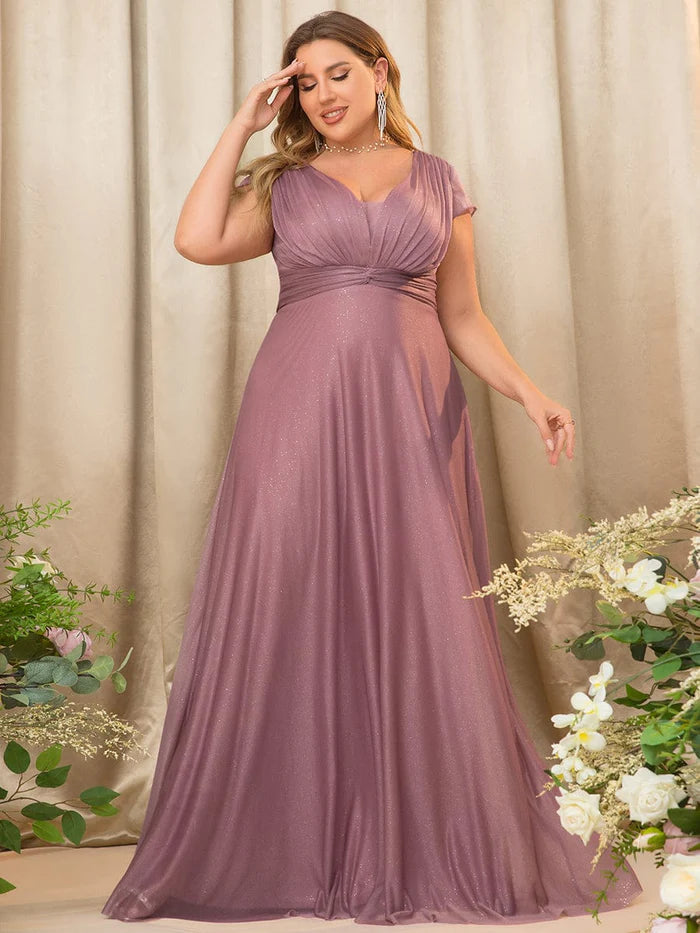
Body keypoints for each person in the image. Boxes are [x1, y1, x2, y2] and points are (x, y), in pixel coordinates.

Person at [102, 10, 643, 925]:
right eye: (305, 81)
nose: (324, 94)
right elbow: (197, 239)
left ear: (381, 71)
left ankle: (414, 832)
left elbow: (463, 314)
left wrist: (530, 392)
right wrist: (241, 125)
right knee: (288, 594)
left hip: (411, 411)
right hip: (296, 410)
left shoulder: (437, 179)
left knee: (414, 604)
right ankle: (296, 836)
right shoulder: (283, 182)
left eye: (340, 73)